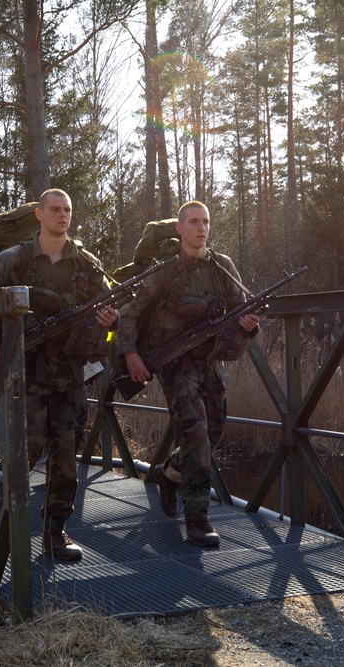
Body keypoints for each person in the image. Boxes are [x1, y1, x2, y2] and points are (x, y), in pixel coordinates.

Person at [0, 188, 118, 561]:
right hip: (26, 374)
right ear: (39, 214)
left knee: (66, 461)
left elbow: (113, 305)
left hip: (69, 375)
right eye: (55, 209)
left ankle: (56, 534)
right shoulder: (14, 259)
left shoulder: (85, 262)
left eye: (67, 210)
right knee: (22, 456)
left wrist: (110, 322)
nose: (62, 215)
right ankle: (10, 531)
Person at [115, 201, 259, 548]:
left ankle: (169, 475)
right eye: (194, 222)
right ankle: (198, 520)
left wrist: (248, 326)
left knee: (216, 428)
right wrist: (131, 354)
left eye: (206, 222)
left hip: (209, 359)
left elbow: (242, 309)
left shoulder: (222, 267)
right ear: (180, 228)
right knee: (195, 433)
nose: (201, 228)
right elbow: (129, 314)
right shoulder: (164, 271)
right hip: (174, 363)